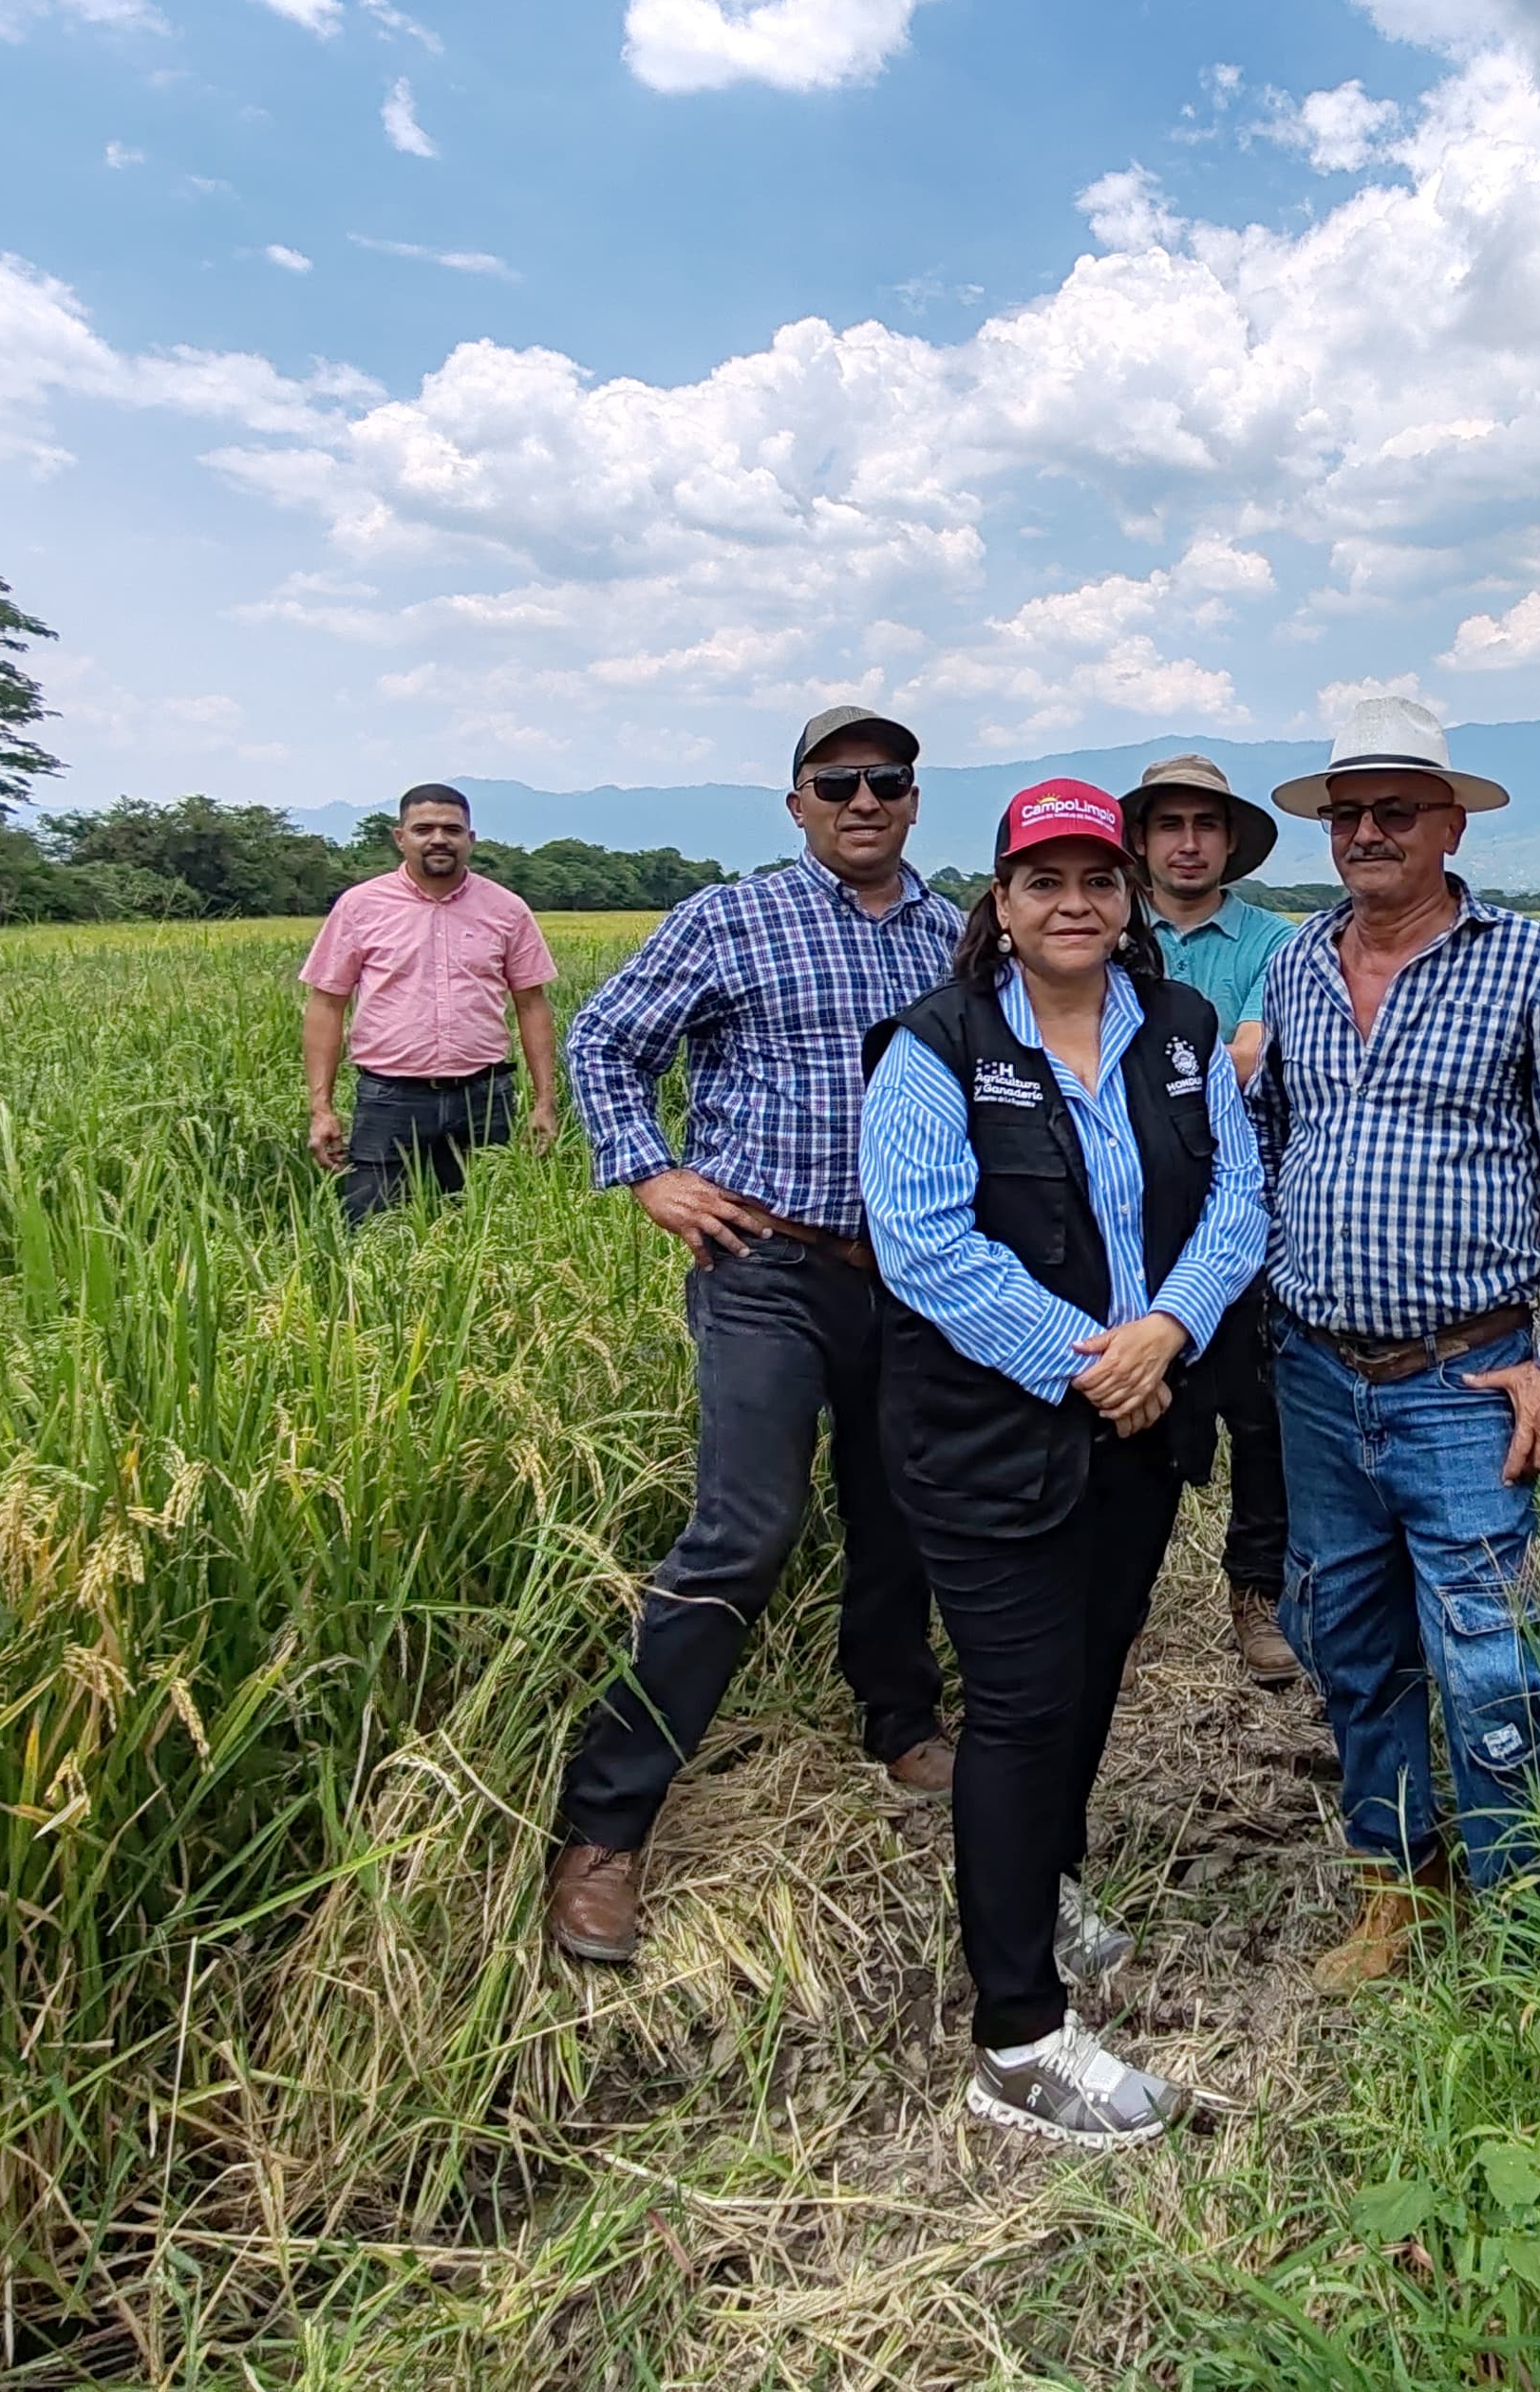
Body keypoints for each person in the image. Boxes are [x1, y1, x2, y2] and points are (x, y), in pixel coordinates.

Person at [859, 777, 1268, 2147]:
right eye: (1045, 881)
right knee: (1025, 1705)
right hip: (991, 1437)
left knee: (1093, 1671)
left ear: (1130, 895)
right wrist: (1091, 1360)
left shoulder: (1180, 1031)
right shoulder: (937, 1046)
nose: (1075, 903)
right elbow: (925, 1243)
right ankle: (1019, 2040)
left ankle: (1045, 1884)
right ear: (1003, 901)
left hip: (1142, 1425)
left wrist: (1167, 1330)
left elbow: (1236, 1198)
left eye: (1098, 879)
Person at [542, 706, 966, 1966]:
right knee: (746, 1528)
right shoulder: (732, 918)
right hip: (764, 1263)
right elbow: (605, 1039)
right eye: (836, 783)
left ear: (912, 799)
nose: (863, 800)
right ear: (797, 805)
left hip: (907, 1274)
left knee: (904, 1504)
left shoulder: (953, 935)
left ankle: (900, 1721)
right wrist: (649, 1172)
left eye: (886, 780)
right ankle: (606, 1826)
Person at [1256, 694, 1540, 1991]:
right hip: (1319, 1371)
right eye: (1347, 813)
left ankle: (1530, 1914)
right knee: (1346, 1633)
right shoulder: (1299, 965)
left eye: (1396, 811)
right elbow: (1273, 1144)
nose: (1368, 832)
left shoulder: (1526, 966)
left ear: (1449, 825)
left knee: (1486, 1648)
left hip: (1464, 1376)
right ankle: (1400, 1885)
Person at [1117, 750, 1303, 1686]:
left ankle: (1258, 1592)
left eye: (1205, 826)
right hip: (1127, 1219)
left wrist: (1133, 1075)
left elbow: (1253, 1058)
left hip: (1248, 1212)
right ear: (1141, 842)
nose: (1187, 844)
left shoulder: (1277, 945)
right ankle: (1117, 1602)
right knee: (1130, 1407)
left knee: (1263, 1420)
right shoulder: (1108, 926)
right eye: (1168, 826)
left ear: (1230, 843)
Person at [299, 783, 560, 1224]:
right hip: (389, 1098)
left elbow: (532, 1005)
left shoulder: (507, 909)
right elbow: (326, 1005)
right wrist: (321, 1109)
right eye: (424, 829)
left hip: (483, 1098)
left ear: (470, 839)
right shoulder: (360, 907)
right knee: (373, 1229)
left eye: (451, 830)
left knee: (485, 1226)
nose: (439, 839)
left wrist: (544, 1101)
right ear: (400, 837)